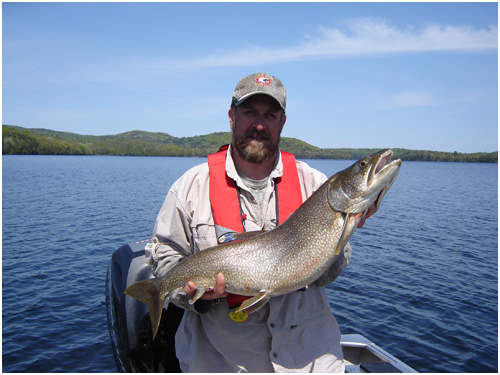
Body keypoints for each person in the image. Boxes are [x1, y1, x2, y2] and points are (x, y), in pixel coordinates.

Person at [145, 72, 374, 372]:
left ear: (282, 122)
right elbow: (163, 253)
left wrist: (342, 234)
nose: (259, 123)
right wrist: (191, 297)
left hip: (311, 362)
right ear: (232, 117)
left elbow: (326, 276)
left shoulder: (317, 188)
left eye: (270, 114)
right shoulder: (189, 188)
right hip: (221, 363)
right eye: (249, 112)